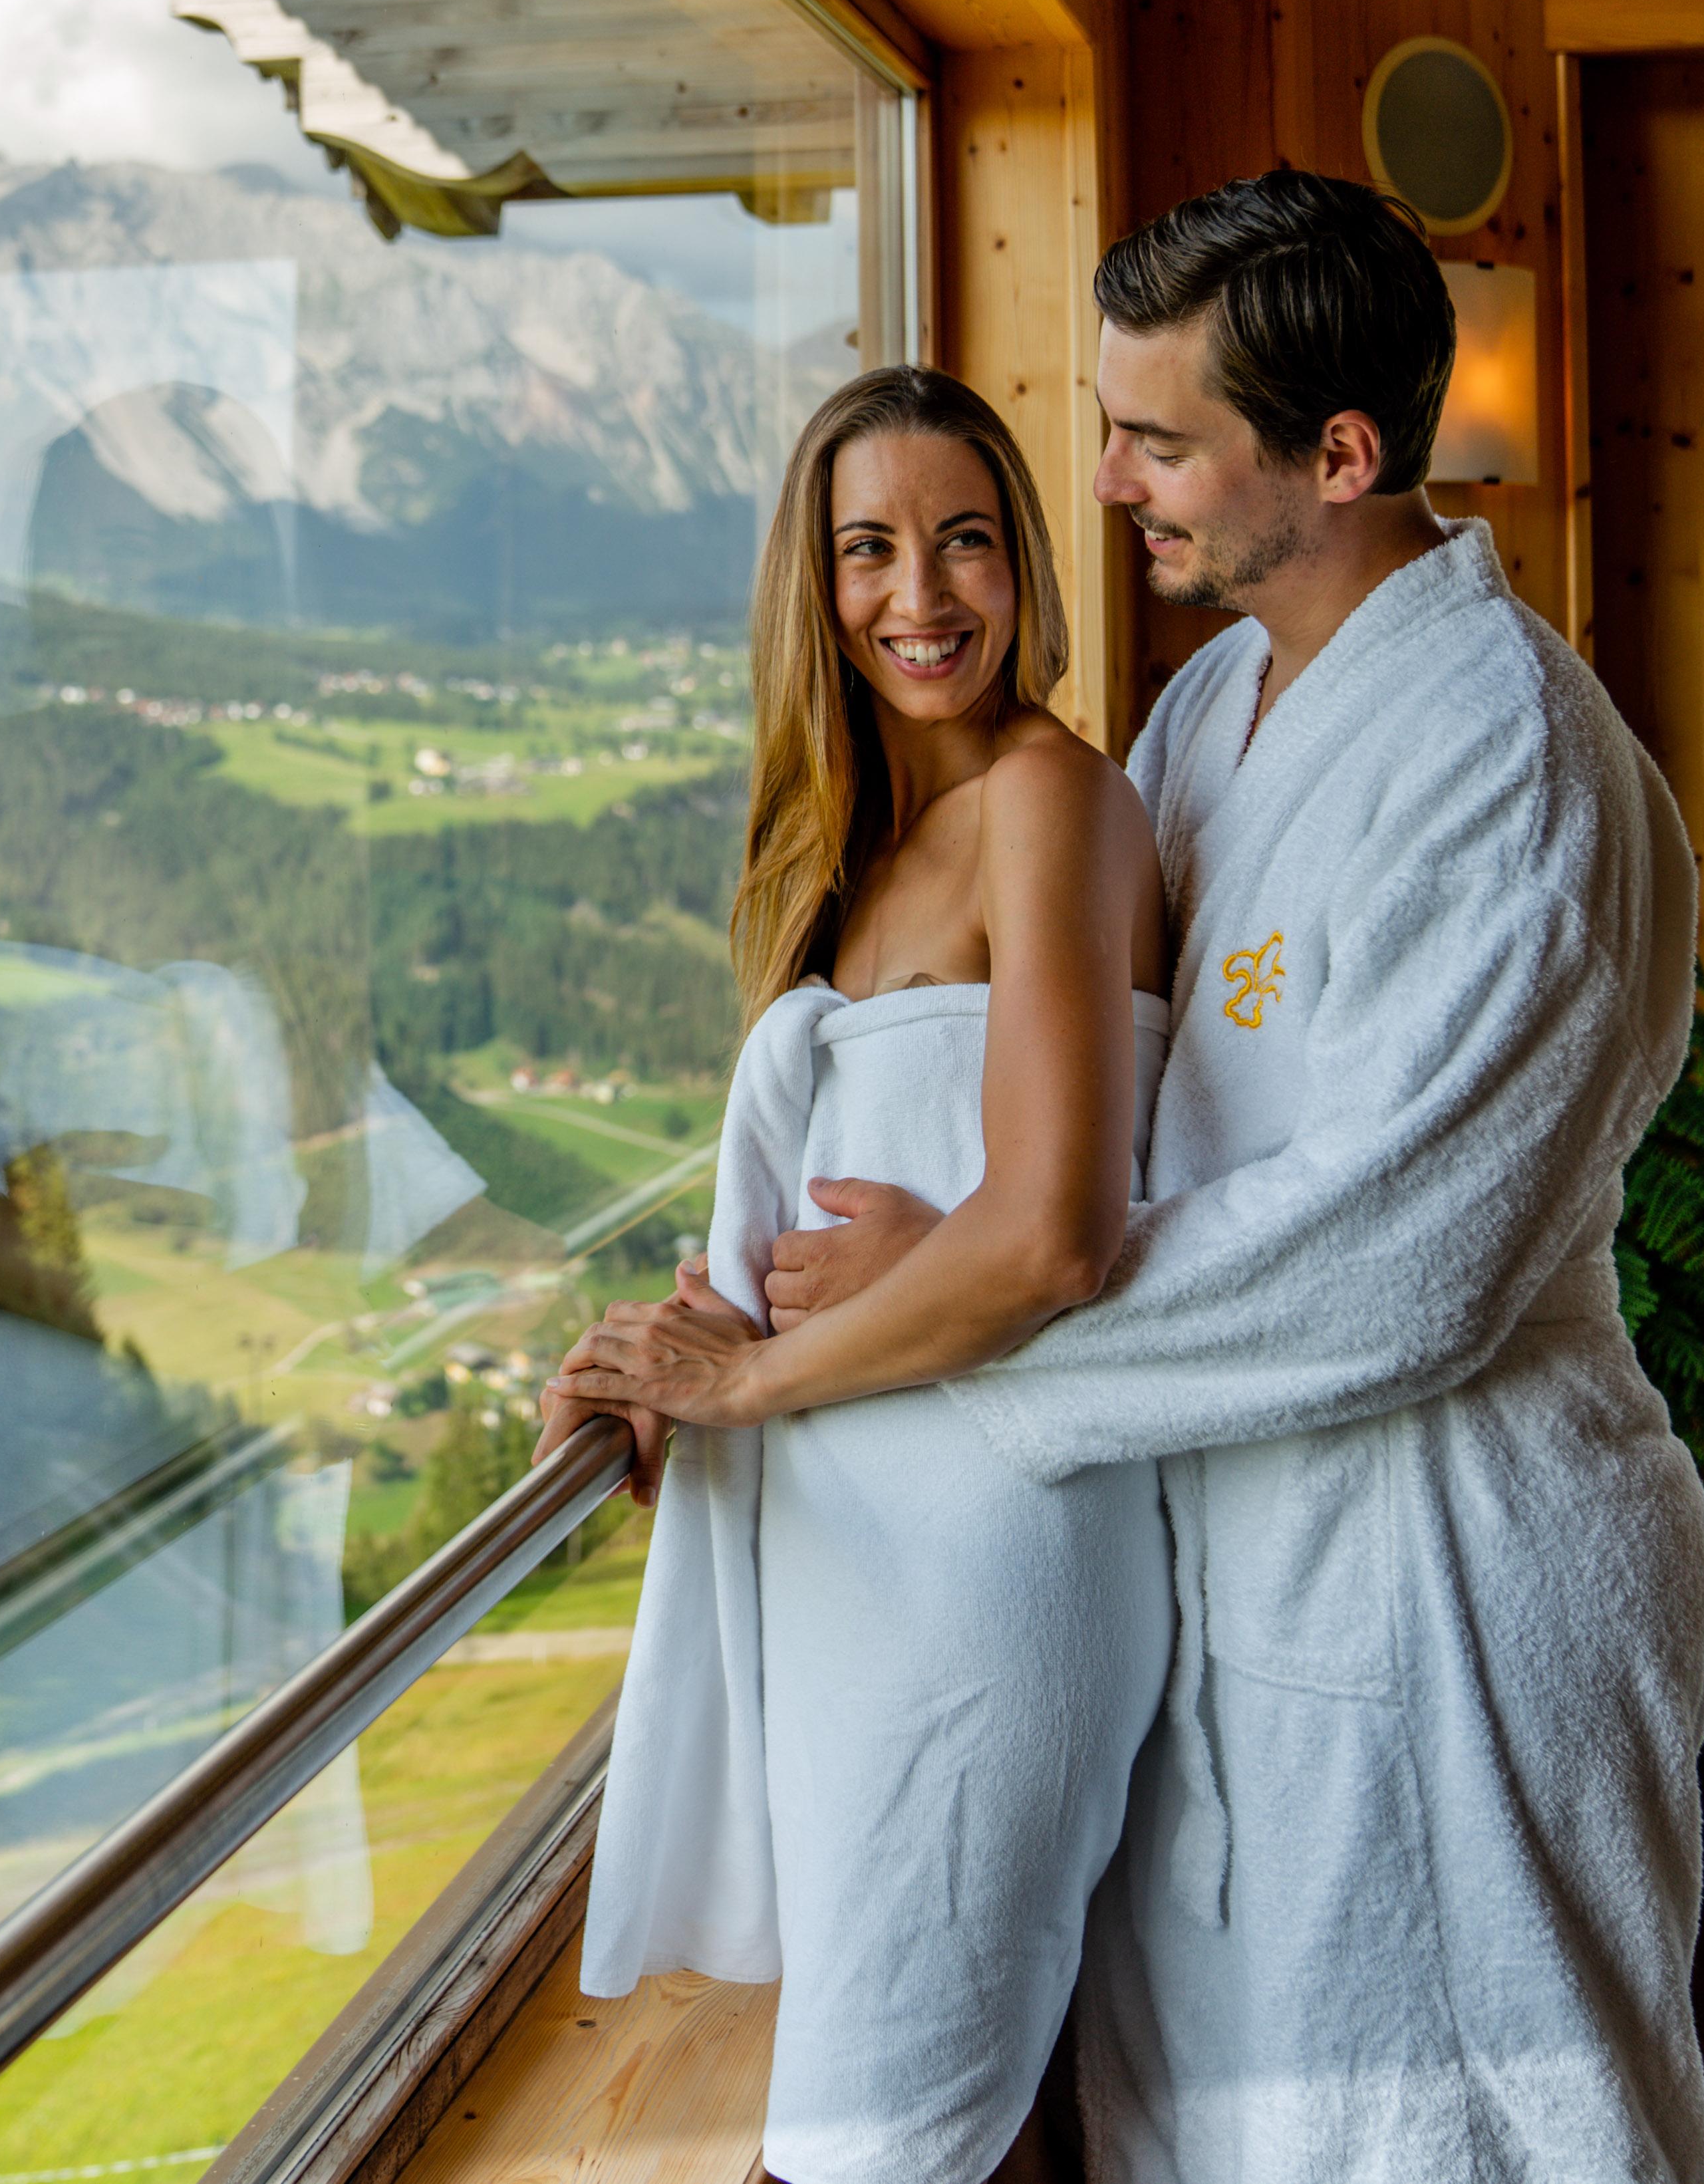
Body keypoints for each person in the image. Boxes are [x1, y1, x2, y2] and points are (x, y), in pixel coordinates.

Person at [551, 170, 1704, 2183]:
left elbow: (1408, 1261)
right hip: (1229, 1555)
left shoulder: (1507, 758)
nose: (1105, 484)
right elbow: (1030, 1096)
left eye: (1159, 441)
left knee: (1479, 2127)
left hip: (1446, 1569)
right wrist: (805, 1309)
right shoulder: (1205, 719)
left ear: (1337, 455)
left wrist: (962, 1300)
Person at [547, 365, 1176, 2184]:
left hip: (989, 1560)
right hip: (849, 1560)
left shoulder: (1054, 799)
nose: (922, 594)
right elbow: (834, 1219)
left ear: (1024, 562)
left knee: (864, 2136)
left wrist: (743, 1380)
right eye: (870, 549)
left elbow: (1052, 1232)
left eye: (965, 540)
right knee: (963, 2115)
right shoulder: (853, 852)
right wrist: (660, 1357)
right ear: (812, 587)